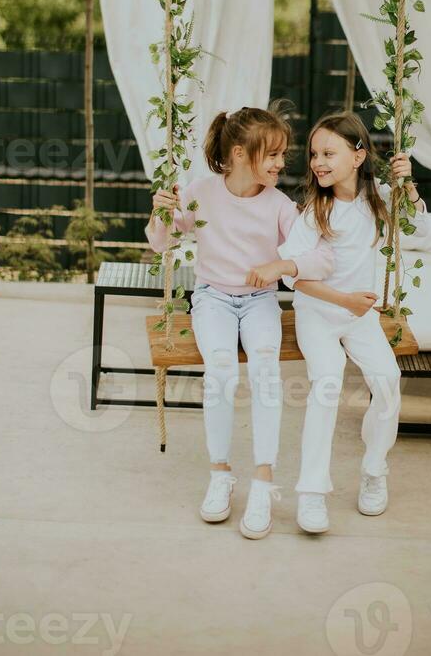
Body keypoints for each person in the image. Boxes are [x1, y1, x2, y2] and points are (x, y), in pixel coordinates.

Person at [145, 104, 333, 540]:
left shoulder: (281, 206)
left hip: (260, 301)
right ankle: (220, 474)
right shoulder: (201, 192)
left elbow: (320, 257)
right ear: (239, 156)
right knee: (222, 372)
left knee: (266, 369)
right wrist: (160, 211)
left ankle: (263, 483)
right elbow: (162, 243)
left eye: (283, 154)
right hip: (212, 298)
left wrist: (281, 266)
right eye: (272, 155)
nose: (281, 163)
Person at [276, 111, 429, 534]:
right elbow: (296, 278)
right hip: (320, 313)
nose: (318, 162)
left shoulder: (380, 198)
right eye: (313, 154)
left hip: (358, 315)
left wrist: (408, 184)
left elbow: (417, 229)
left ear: (358, 156)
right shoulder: (314, 213)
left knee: (387, 381)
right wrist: (343, 299)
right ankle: (311, 493)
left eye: (328, 152)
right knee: (326, 383)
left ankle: (374, 468)